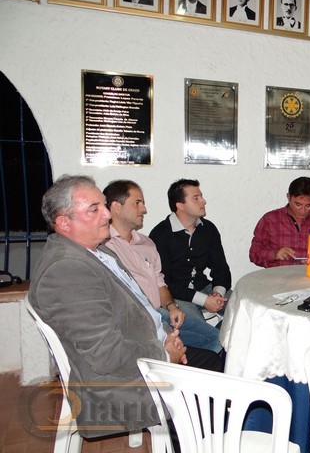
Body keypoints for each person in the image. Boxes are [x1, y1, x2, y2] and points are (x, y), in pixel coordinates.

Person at [28, 175, 219, 438]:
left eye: (104, 205)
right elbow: (106, 354)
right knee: (217, 390)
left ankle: (196, 434)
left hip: (144, 350)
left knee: (211, 361)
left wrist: (168, 337)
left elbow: (142, 307)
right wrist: (164, 355)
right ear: (64, 223)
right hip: (122, 384)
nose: (107, 214)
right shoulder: (66, 270)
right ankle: (192, 438)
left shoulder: (96, 251)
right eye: (94, 209)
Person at [104, 180, 223, 354]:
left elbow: (160, 282)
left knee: (224, 332)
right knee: (210, 341)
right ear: (116, 207)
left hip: (161, 312)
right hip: (138, 320)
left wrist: (171, 306)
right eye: (137, 203)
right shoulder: (104, 246)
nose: (144, 209)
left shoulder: (146, 243)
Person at [149, 179, 231, 320]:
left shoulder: (208, 228)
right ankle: (215, 334)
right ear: (180, 205)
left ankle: (223, 334)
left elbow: (221, 268)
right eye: (196, 198)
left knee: (242, 310)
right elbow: (164, 282)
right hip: (176, 295)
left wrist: (217, 293)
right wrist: (204, 300)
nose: (203, 201)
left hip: (204, 288)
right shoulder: (160, 234)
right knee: (194, 324)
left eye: (201, 196)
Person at [250, 176, 310, 267]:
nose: (302, 210)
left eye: (308, 206)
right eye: (298, 204)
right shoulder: (270, 219)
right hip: (279, 274)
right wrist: (275, 254)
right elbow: (254, 253)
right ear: (288, 197)